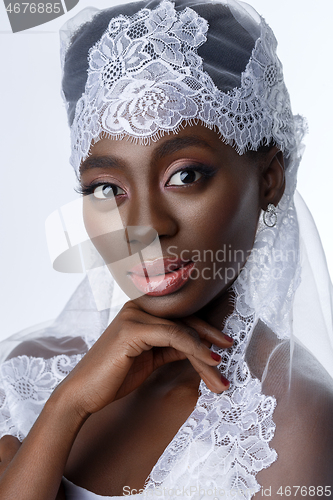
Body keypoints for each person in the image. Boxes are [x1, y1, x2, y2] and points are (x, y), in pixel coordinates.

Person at [0, 0, 332, 499]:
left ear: (268, 180)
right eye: (106, 189)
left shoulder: (292, 424)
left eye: (185, 175)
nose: (145, 228)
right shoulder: (26, 379)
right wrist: (65, 408)